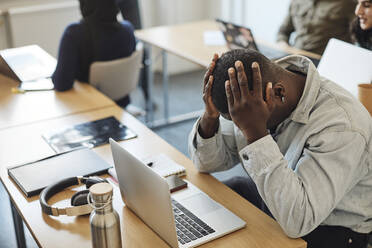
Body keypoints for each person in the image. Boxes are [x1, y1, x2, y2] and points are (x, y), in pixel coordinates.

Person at [188, 49, 372, 248]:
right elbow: (206, 163)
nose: (239, 126)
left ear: (278, 93)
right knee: (205, 209)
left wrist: (256, 133)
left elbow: (299, 221)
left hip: (331, 226)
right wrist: (210, 117)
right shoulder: (248, 94)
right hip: (276, 195)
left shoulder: (342, 126)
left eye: (240, 121)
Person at [52, 0, 136, 108]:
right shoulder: (128, 30)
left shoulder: (74, 33)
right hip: (120, 107)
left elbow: (61, 84)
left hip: (89, 109)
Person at [276, 0, 355, 55]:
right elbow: (283, 32)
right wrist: (283, 44)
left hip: (323, 65)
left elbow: (358, 39)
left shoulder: (348, 4)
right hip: (295, 58)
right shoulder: (297, 2)